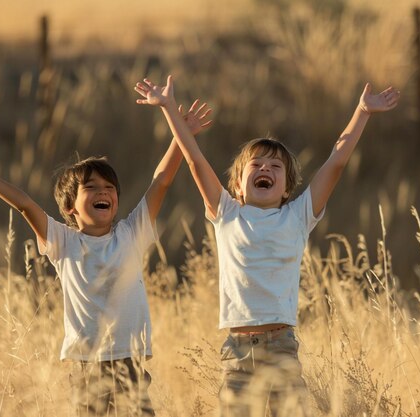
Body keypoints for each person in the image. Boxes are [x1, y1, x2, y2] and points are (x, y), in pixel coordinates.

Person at [136, 76, 399, 416]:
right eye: (256, 166)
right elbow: (194, 159)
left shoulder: (298, 215)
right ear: (238, 186)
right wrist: (169, 108)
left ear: (287, 188)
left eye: (275, 167)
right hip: (238, 352)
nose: (265, 169)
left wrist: (362, 112)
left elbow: (336, 163)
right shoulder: (227, 212)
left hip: (281, 349)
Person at [0, 92, 212, 416]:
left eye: (109, 188)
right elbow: (24, 205)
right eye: (91, 188)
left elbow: (161, 181)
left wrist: (180, 135)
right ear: (69, 208)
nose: (103, 192)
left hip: (130, 361)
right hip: (86, 367)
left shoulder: (131, 233)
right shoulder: (63, 242)